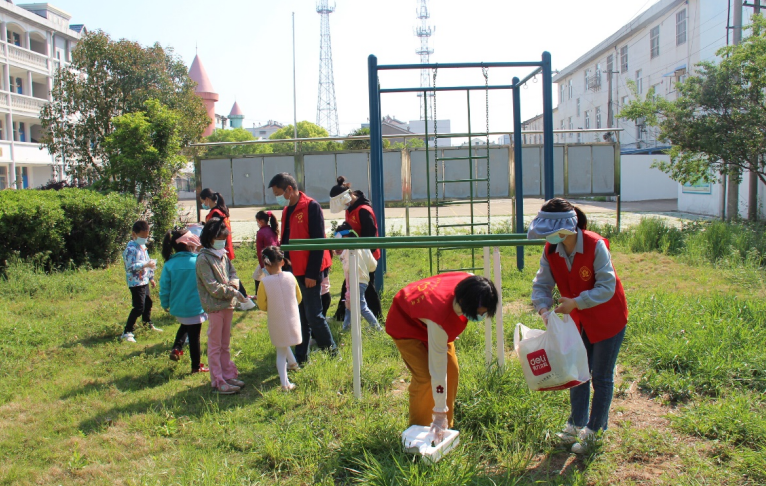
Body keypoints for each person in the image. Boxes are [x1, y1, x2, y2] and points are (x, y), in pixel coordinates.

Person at [528, 197, 628, 454]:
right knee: (577, 372)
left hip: (608, 318)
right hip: (578, 321)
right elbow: (541, 284)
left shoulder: (595, 246)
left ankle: (594, 432)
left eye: (548, 233)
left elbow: (607, 286)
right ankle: (575, 423)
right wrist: (543, 309)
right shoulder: (551, 250)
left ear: (565, 229)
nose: (546, 239)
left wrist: (577, 302)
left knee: (601, 376)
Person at [386, 272, 498, 443]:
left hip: (432, 319)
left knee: (451, 371)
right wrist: (438, 412)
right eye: (479, 313)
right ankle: (418, 431)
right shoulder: (440, 318)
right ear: (465, 304)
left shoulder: (472, 283)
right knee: (426, 377)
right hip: (405, 322)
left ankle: (445, 426)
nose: (482, 316)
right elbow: (437, 370)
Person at [268, 172, 337, 365]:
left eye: (278, 192)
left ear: (289, 189)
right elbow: (286, 242)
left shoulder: (311, 206)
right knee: (299, 316)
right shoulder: (286, 210)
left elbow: (318, 243)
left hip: (309, 271)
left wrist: (312, 274)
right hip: (293, 270)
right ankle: (301, 357)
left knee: (314, 315)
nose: (277, 196)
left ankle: (333, 353)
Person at [196, 217, 248, 394]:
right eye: (219, 238)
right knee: (215, 345)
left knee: (225, 344)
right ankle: (217, 380)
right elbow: (212, 287)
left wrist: (234, 283)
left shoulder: (223, 254)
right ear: (210, 238)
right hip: (215, 306)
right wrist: (233, 291)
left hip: (228, 305)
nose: (222, 242)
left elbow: (233, 273)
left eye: (224, 238)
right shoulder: (203, 259)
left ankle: (228, 374)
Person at [329, 176, 382, 320]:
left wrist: (361, 254)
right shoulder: (350, 209)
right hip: (355, 254)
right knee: (349, 286)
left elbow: (370, 236)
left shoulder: (363, 211)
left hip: (366, 255)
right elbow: (350, 232)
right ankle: (340, 316)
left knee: (367, 289)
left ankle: (378, 318)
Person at [160, 228, 209, 374]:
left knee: (185, 325)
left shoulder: (169, 264)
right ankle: (196, 367)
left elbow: (164, 287)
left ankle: (177, 347)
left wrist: (165, 304)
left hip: (178, 307)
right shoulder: (197, 261)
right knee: (194, 338)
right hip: (195, 307)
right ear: (190, 244)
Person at [256, 246, 302, 390]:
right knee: (285, 342)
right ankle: (293, 363)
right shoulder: (291, 277)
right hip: (292, 318)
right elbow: (298, 297)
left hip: (276, 319)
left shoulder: (265, 283)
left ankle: (285, 383)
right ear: (282, 262)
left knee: (280, 350)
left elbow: (262, 305)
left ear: (266, 264)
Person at [199, 188, 247, 299]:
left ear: (207, 199)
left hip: (218, 245)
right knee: (228, 272)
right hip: (223, 245)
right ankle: (243, 296)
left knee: (228, 273)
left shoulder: (215, 213)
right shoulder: (220, 210)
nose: (203, 205)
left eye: (202, 202)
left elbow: (215, 230)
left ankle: (243, 296)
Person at [333, 222, 381, 332]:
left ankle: (377, 328)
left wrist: (342, 256)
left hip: (356, 281)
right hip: (362, 280)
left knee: (361, 306)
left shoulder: (350, 249)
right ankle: (346, 328)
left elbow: (348, 267)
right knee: (349, 305)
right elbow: (373, 265)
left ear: (345, 237)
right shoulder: (363, 246)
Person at [121, 220, 162, 342]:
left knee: (148, 303)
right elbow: (130, 267)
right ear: (134, 234)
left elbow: (148, 262)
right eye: (142, 237)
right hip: (135, 282)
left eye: (146, 237)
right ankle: (127, 331)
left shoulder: (143, 247)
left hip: (144, 281)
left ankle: (147, 323)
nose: (144, 239)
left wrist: (151, 277)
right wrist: (145, 264)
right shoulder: (130, 249)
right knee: (139, 307)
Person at [253, 210, 280, 296]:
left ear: (261, 221)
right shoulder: (273, 229)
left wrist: (262, 265)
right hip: (275, 257)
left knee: (258, 276)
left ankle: (260, 295)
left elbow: (259, 250)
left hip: (266, 259)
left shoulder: (261, 232)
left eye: (257, 221)